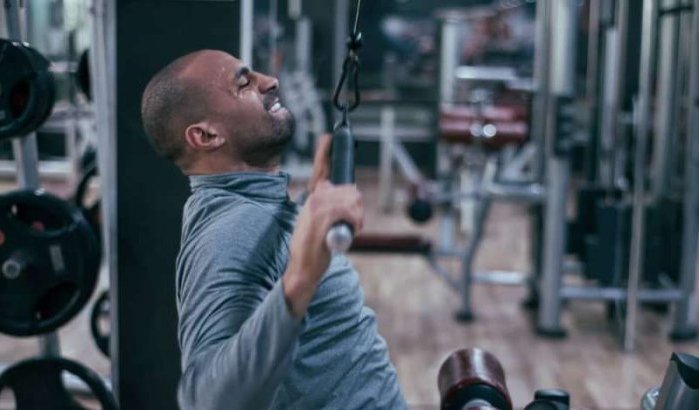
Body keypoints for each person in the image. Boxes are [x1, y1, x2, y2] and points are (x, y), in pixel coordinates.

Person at [140, 49, 407, 410]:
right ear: (206, 135)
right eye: (244, 83)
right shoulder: (230, 231)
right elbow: (206, 400)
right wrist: (300, 277)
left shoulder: (250, 207)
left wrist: (308, 203)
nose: (271, 81)